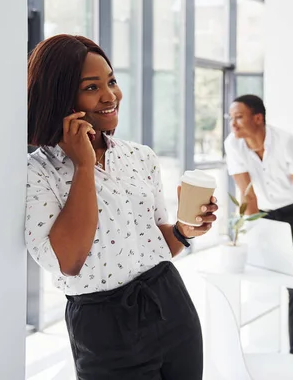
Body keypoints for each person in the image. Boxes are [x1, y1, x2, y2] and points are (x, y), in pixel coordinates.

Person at [25, 34, 218, 380]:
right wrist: (83, 165)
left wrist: (183, 231)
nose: (110, 95)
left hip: (170, 304)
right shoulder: (37, 172)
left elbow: (157, 246)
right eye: (91, 87)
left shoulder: (139, 157)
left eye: (112, 81)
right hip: (103, 326)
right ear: (61, 95)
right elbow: (68, 261)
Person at [224, 94, 293, 357]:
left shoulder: (286, 143)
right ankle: (253, 345)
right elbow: (247, 193)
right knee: (260, 274)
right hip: (263, 214)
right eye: (230, 118)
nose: (232, 124)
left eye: (238, 117)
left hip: (291, 212)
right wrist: (255, 232)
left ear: (258, 118)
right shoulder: (233, 145)